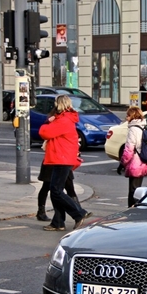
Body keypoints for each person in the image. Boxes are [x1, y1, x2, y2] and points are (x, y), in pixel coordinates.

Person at [39, 95, 91, 231]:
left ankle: (79, 213)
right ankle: (58, 222)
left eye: (56, 103)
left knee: (56, 191)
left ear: (59, 104)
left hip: (62, 158)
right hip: (61, 158)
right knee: (56, 191)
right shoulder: (65, 118)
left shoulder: (64, 120)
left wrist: (48, 123)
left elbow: (45, 133)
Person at [120, 106, 147, 208]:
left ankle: (132, 210)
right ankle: (136, 207)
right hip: (144, 161)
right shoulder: (142, 126)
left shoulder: (133, 129)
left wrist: (122, 163)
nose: (126, 118)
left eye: (128, 115)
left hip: (135, 163)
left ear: (133, 116)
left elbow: (129, 149)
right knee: (138, 189)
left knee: (133, 190)